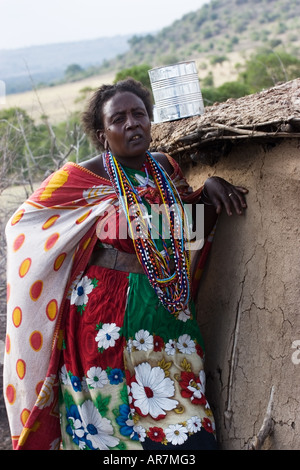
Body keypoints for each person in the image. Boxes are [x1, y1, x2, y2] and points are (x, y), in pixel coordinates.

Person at [4, 78, 248, 450]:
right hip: (104, 319)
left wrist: (209, 191)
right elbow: (24, 221)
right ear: (103, 135)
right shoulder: (86, 176)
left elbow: (184, 233)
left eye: (139, 114)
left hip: (166, 312)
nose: (132, 123)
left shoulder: (165, 168)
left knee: (189, 430)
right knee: (118, 429)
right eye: (118, 119)